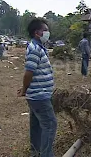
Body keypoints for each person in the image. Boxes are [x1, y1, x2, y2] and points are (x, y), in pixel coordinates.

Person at [17, 18, 57, 157]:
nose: (47, 33)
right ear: (37, 33)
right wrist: (24, 89)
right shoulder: (34, 49)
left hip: (37, 95)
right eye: (45, 30)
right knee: (50, 125)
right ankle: (46, 154)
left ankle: (35, 151)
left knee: (36, 124)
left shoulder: (38, 47)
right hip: (40, 96)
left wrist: (26, 89)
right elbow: (29, 72)